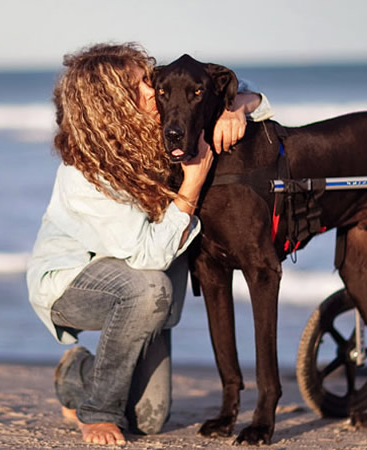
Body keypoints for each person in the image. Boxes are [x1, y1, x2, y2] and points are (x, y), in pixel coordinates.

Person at [26, 42, 273, 446]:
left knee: (150, 418)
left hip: (141, 302)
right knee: (148, 288)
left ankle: (76, 374)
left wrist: (239, 105)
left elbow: (233, 92)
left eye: (148, 80)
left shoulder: (159, 132)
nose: (153, 90)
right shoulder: (85, 172)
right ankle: (97, 412)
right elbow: (149, 256)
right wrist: (191, 186)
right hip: (74, 285)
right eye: (140, 86)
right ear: (112, 104)